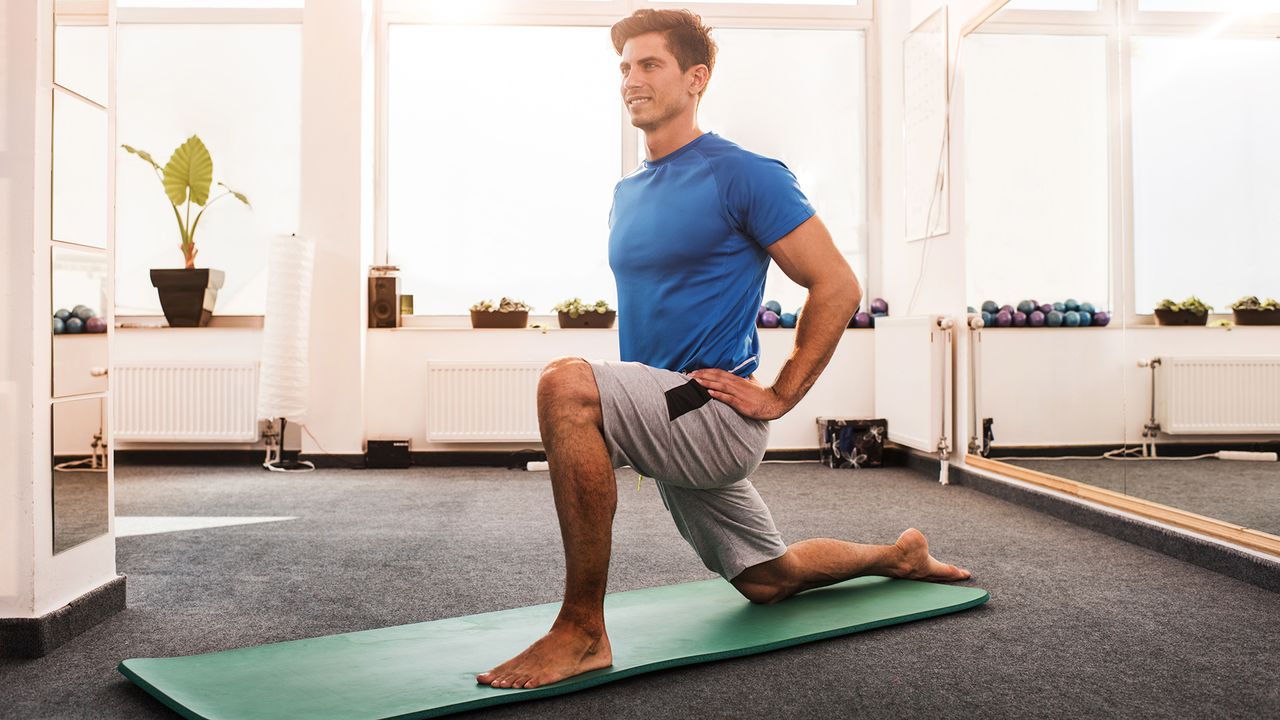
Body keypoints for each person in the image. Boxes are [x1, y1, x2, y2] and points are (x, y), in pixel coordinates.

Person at [476, 8, 970, 691]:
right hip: (666, 413)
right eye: (624, 68)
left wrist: (781, 393)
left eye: (649, 64)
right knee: (770, 581)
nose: (630, 80)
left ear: (695, 78)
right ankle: (899, 555)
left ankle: (582, 630)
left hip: (709, 413)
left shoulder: (745, 174)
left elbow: (838, 284)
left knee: (566, 385)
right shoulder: (628, 193)